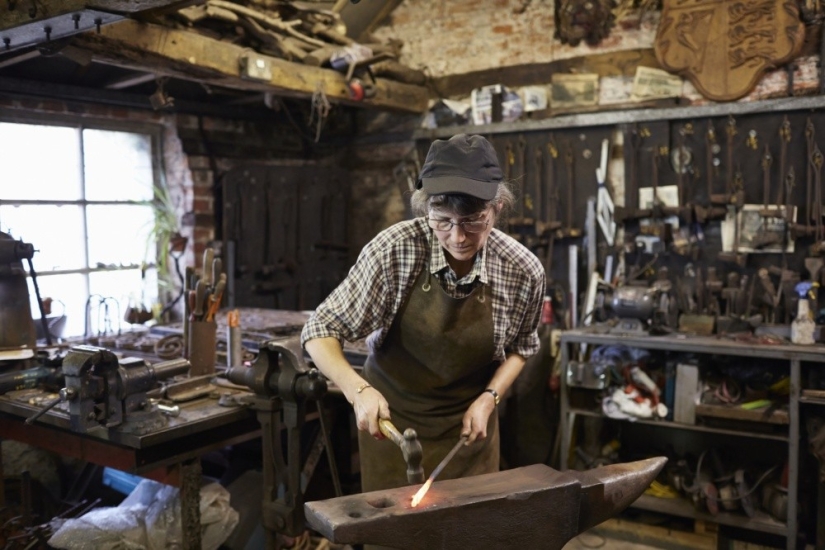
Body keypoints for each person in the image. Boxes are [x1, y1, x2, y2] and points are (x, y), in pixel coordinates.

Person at [301, 133, 545, 496]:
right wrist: (358, 391)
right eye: (442, 220)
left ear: (497, 209)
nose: (458, 236)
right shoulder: (394, 251)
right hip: (393, 425)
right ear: (425, 209)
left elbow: (523, 347)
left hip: (470, 428)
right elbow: (319, 329)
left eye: (474, 221)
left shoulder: (522, 270)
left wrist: (489, 398)